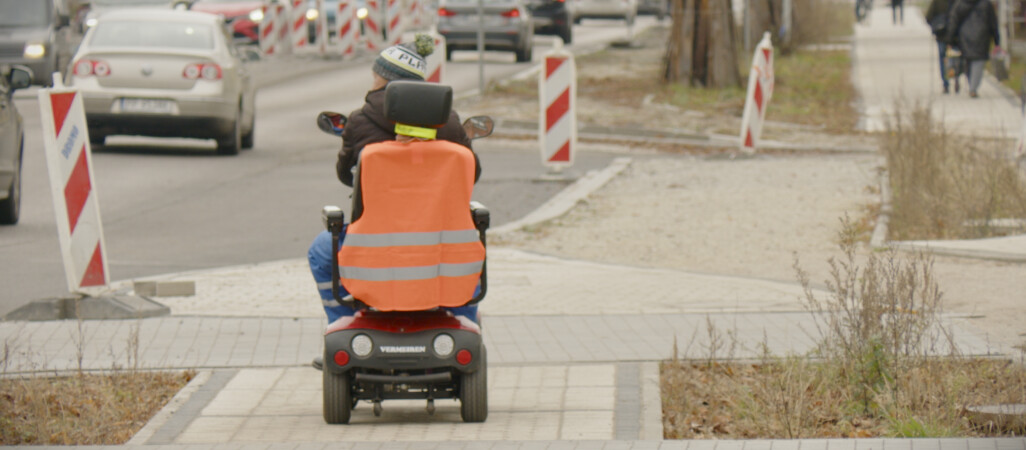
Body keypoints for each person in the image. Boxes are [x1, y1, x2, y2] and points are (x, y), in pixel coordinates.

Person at [308, 35, 481, 330]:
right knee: (471, 250)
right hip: (442, 247)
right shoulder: (450, 124)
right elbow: (472, 174)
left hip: (375, 251)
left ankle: (343, 321)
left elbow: (345, 174)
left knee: (322, 250)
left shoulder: (359, 121)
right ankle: (465, 320)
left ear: (382, 77)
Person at [945, 0, 1000, 98]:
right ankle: (973, 88)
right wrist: (996, 40)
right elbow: (993, 22)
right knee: (978, 62)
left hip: (965, 36)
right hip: (982, 35)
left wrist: (950, 39)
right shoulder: (986, 4)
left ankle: (972, 85)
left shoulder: (960, 4)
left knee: (968, 61)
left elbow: (953, 21)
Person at [925, 0, 952, 93]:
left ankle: (946, 83)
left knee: (943, 58)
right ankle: (955, 76)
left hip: (941, 33)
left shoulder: (937, 1)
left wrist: (935, 26)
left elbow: (928, 16)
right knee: (955, 56)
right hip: (955, 35)